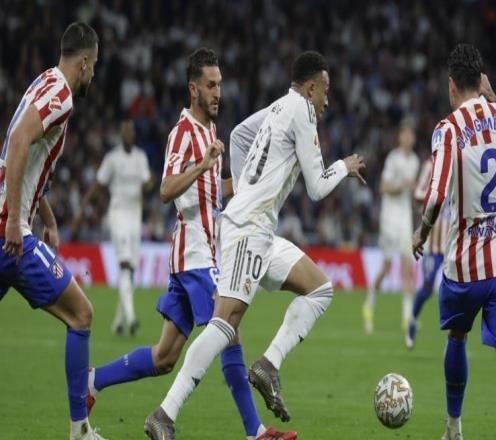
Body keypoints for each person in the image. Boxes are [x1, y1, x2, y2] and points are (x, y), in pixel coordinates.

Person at [145, 51, 366, 439]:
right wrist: (343, 167)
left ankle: (269, 364)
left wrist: (248, 185)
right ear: (311, 87)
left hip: (259, 229)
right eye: (325, 90)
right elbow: (316, 188)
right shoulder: (303, 112)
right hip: (247, 229)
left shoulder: (280, 106)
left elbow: (240, 135)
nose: (327, 100)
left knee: (320, 288)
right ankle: (165, 413)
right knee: (223, 325)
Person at [86, 48, 296, 440]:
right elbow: (166, 189)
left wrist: (251, 182)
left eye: (220, 85)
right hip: (194, 252)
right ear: (193, 89)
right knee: (229, 327)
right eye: (211, 85)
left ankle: (93, 381)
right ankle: (255, 431)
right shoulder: (183, 133)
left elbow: (214, 193)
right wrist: (202, 165)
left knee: (165, 356)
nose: (218, 92)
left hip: (200, 252)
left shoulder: (210, 133)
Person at [0, 22, 105, 440]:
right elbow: (18, 141)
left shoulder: (42, 82)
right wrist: (15, 220)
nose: (94, 74)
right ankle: (79, 430)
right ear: (84, 63)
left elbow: (24, 154)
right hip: (10, 235)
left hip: (12, 226)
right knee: (82, 314)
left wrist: (48, 216)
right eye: (94, 66)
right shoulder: (61, 96)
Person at [412, 43, 496, 440]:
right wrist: (492, 95)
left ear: (451, 85)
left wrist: (422, 231)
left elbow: (435, 195)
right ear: (480, 80)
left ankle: (453, 426)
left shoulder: (448, 129)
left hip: (464, 266)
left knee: (457, 337)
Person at [76, 119, 153, 336]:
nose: (128, 135)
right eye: (125, 132)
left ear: (134, 135)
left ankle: (118, 322)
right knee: (125, 265)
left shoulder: (140, 157)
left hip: (135, 216)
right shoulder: (112, 159)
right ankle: (131, 318)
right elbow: (99, 184)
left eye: (131, 132)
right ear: (121, 135)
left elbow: (147, 181)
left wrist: (150, 184)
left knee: (130, 271)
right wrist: (82, 211)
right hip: (118, 214)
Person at [362, 118, 419, 334]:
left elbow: (411, 192)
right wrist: (404, 185)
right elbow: (384, 187)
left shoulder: (415, 161)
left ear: (413, 138)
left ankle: (407, 319)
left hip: (405, 218)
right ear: (400, 137)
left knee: (407, 267)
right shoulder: (393, 159)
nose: (408, 138)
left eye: (410, 135)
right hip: (389, 218)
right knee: (386, 269)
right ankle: (369, 302)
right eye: (404, 134)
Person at [405, 156, 450, 349]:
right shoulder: (430, 165)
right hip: (432, 243)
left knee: (456, 289)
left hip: (455, 240)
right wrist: (437, 194)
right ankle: (412, 321)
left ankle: (454, 339)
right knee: (427, 288)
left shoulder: (464, 159)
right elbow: (417, 193)